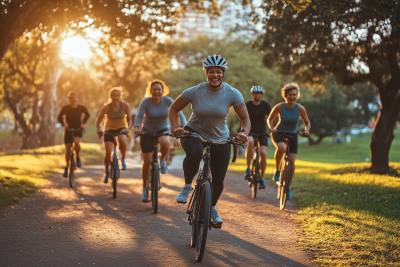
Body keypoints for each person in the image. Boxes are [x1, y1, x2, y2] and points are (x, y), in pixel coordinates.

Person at [169, 54, 250, 225]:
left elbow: (245, 119)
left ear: (223, 73)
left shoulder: (232, 93)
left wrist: (244, 132)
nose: (215, 75)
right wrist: (176, 127)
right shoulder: (195, 91)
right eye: (211, 72)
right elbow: (174, 108)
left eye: (218, 72)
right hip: (194, 132)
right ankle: (186, 186)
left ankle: (212, 207)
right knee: (195, 154)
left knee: (219, 179)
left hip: (220, 137)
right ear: (206, 73)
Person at [134, 79, 187, 202]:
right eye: (154, 90)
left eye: (159, 89)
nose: (157, 91)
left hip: (163, 129)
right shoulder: (146, 102)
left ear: (163, 91)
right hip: (147, 131)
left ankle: (162, 159)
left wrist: (183, 126)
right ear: (150, 91)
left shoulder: (168, 100)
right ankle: (145, 189)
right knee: (147, 162)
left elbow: (180, 114)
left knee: (165, 142)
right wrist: (137, 127)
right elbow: (139, 116)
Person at [267, 83, 311, 200]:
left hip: (293, 134)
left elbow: (307, 122)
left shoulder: (300, 108)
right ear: (285, 95)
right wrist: (272, 128)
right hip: (279, 132)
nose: (293, 97)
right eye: (290, 94)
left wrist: (307, 131)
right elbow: (270, 119)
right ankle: (277, 170)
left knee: (291, 161)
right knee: (281, 147)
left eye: (295, 95)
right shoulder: (280, 106)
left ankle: (288, 187)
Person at [95, 87, 131, 183]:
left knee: (122, 140)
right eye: (113, 96)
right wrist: (98, 128)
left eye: (117, 96)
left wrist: (128, 128)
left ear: (120, 96)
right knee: (108, 152)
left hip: (121, 128)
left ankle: (123, 159)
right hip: (109, 130)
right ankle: (107, 172)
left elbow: (130, 118)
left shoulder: (124, 105)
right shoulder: (106, 107)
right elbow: (99, 119)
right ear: (110, 97)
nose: (115, 98)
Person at [243, 85, 271, 189]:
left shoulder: (265, 105)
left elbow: (270, 119)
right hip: (250, 131)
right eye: (255, 93)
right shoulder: (248, 105)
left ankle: (262, 178)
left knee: (263, 153)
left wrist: (271, 130)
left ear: (261, 95)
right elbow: (243, 118)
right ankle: (247, 168)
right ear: (252, 94)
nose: (257, 95)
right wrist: (243, 130)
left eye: (259, 93)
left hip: (262, 132)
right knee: (250, 142)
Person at [57, 91, 90, 178]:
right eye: (71, 98)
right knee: (68, 148)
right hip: (68, 130)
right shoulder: (65, 108)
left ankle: (78, 157)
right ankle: (66, 167)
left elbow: (87, 115)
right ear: (69, 99)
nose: (73, 100)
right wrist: (64, 124)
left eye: (74, 98)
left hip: (78, 129)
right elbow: (59, 117)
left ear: (77, 98)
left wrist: (83, 122)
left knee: (77, 142)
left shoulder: (81, 107)